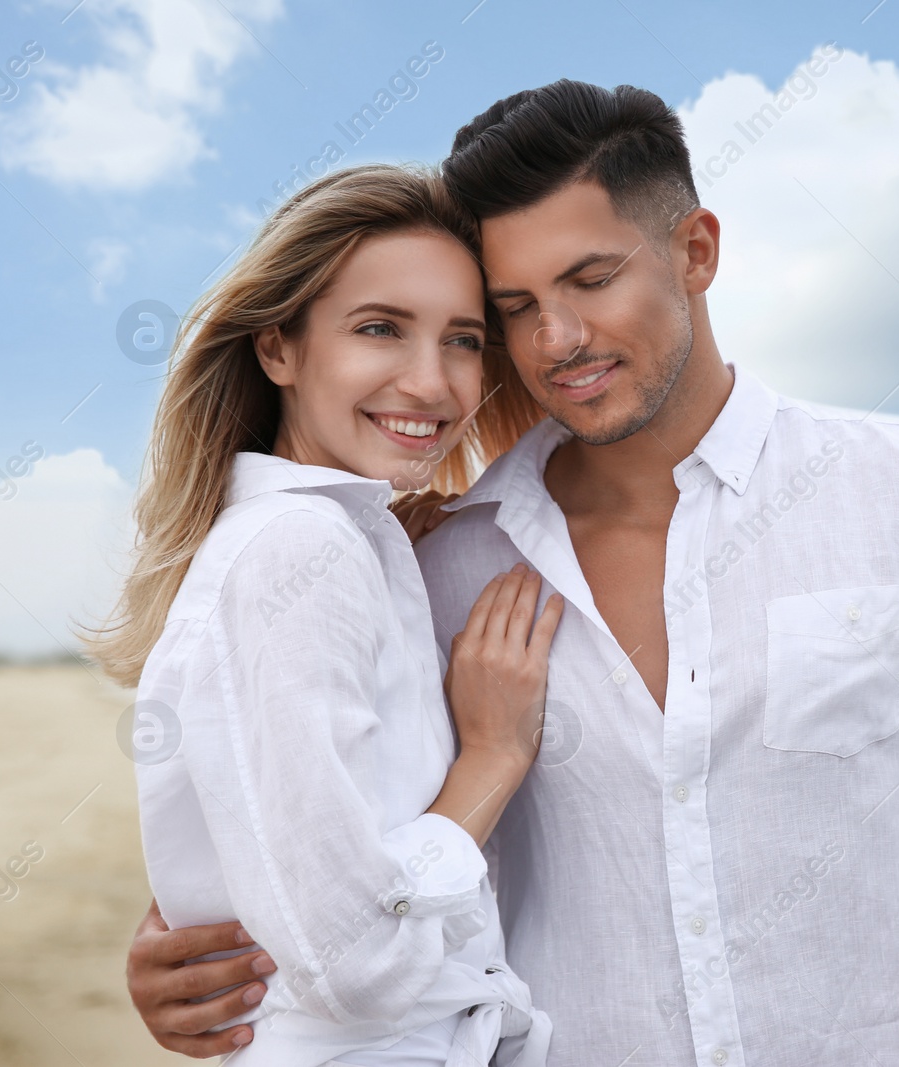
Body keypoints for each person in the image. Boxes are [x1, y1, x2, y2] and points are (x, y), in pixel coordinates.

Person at [128, 82, 899, 1066]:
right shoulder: (436, 561)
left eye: (590, 279)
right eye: (514, 309)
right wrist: (192, 941)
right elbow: (325, 843)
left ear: (696, 250)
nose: (556, 340)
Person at [92, 165, 561, 1066]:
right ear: (279, 347)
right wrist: (492, 758)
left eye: (463, 340)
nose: (432, 382)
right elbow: (355, 961)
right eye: (380, 328)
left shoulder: (348, 539)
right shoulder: (300, 549)